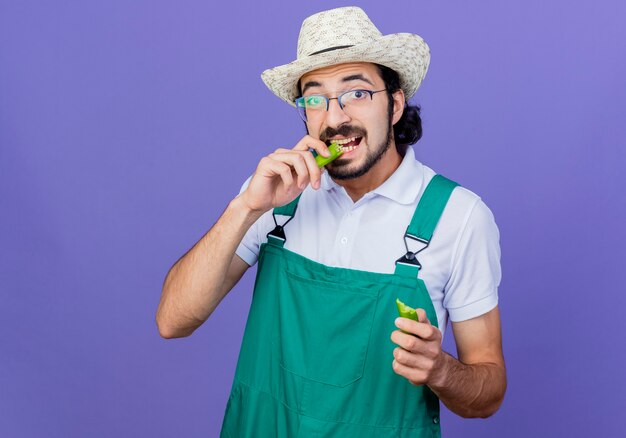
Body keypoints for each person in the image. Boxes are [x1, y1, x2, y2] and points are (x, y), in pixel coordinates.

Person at [156, 6, 506, 437]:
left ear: (395, 105)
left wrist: (441, 370)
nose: (335, 118)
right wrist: (244, 208)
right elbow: (173, 321)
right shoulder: (275, 198)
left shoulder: (460, 217)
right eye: (315, 98)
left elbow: (488, 392)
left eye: (356, 93)